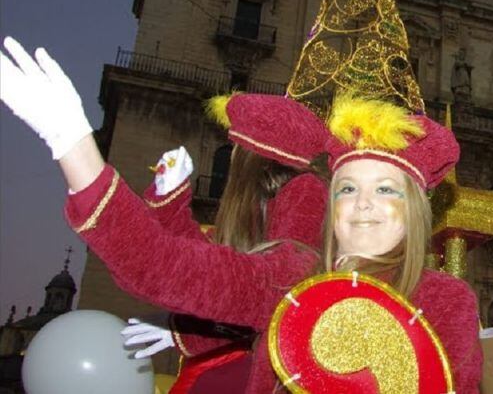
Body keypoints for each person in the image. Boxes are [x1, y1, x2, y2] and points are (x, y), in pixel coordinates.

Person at [0, 37, 330, 394]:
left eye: (234, 150)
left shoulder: (305, 196)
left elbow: (232, 281)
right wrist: (171, 201)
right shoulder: (269, 210)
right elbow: (223, 274)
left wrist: (74, 147)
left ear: (253, 158)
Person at [324, 96, 483, 393]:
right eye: (348, 188)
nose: (362, 203)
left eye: (384, 189)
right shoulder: (293, 286)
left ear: (413, 210)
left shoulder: (445, 300)